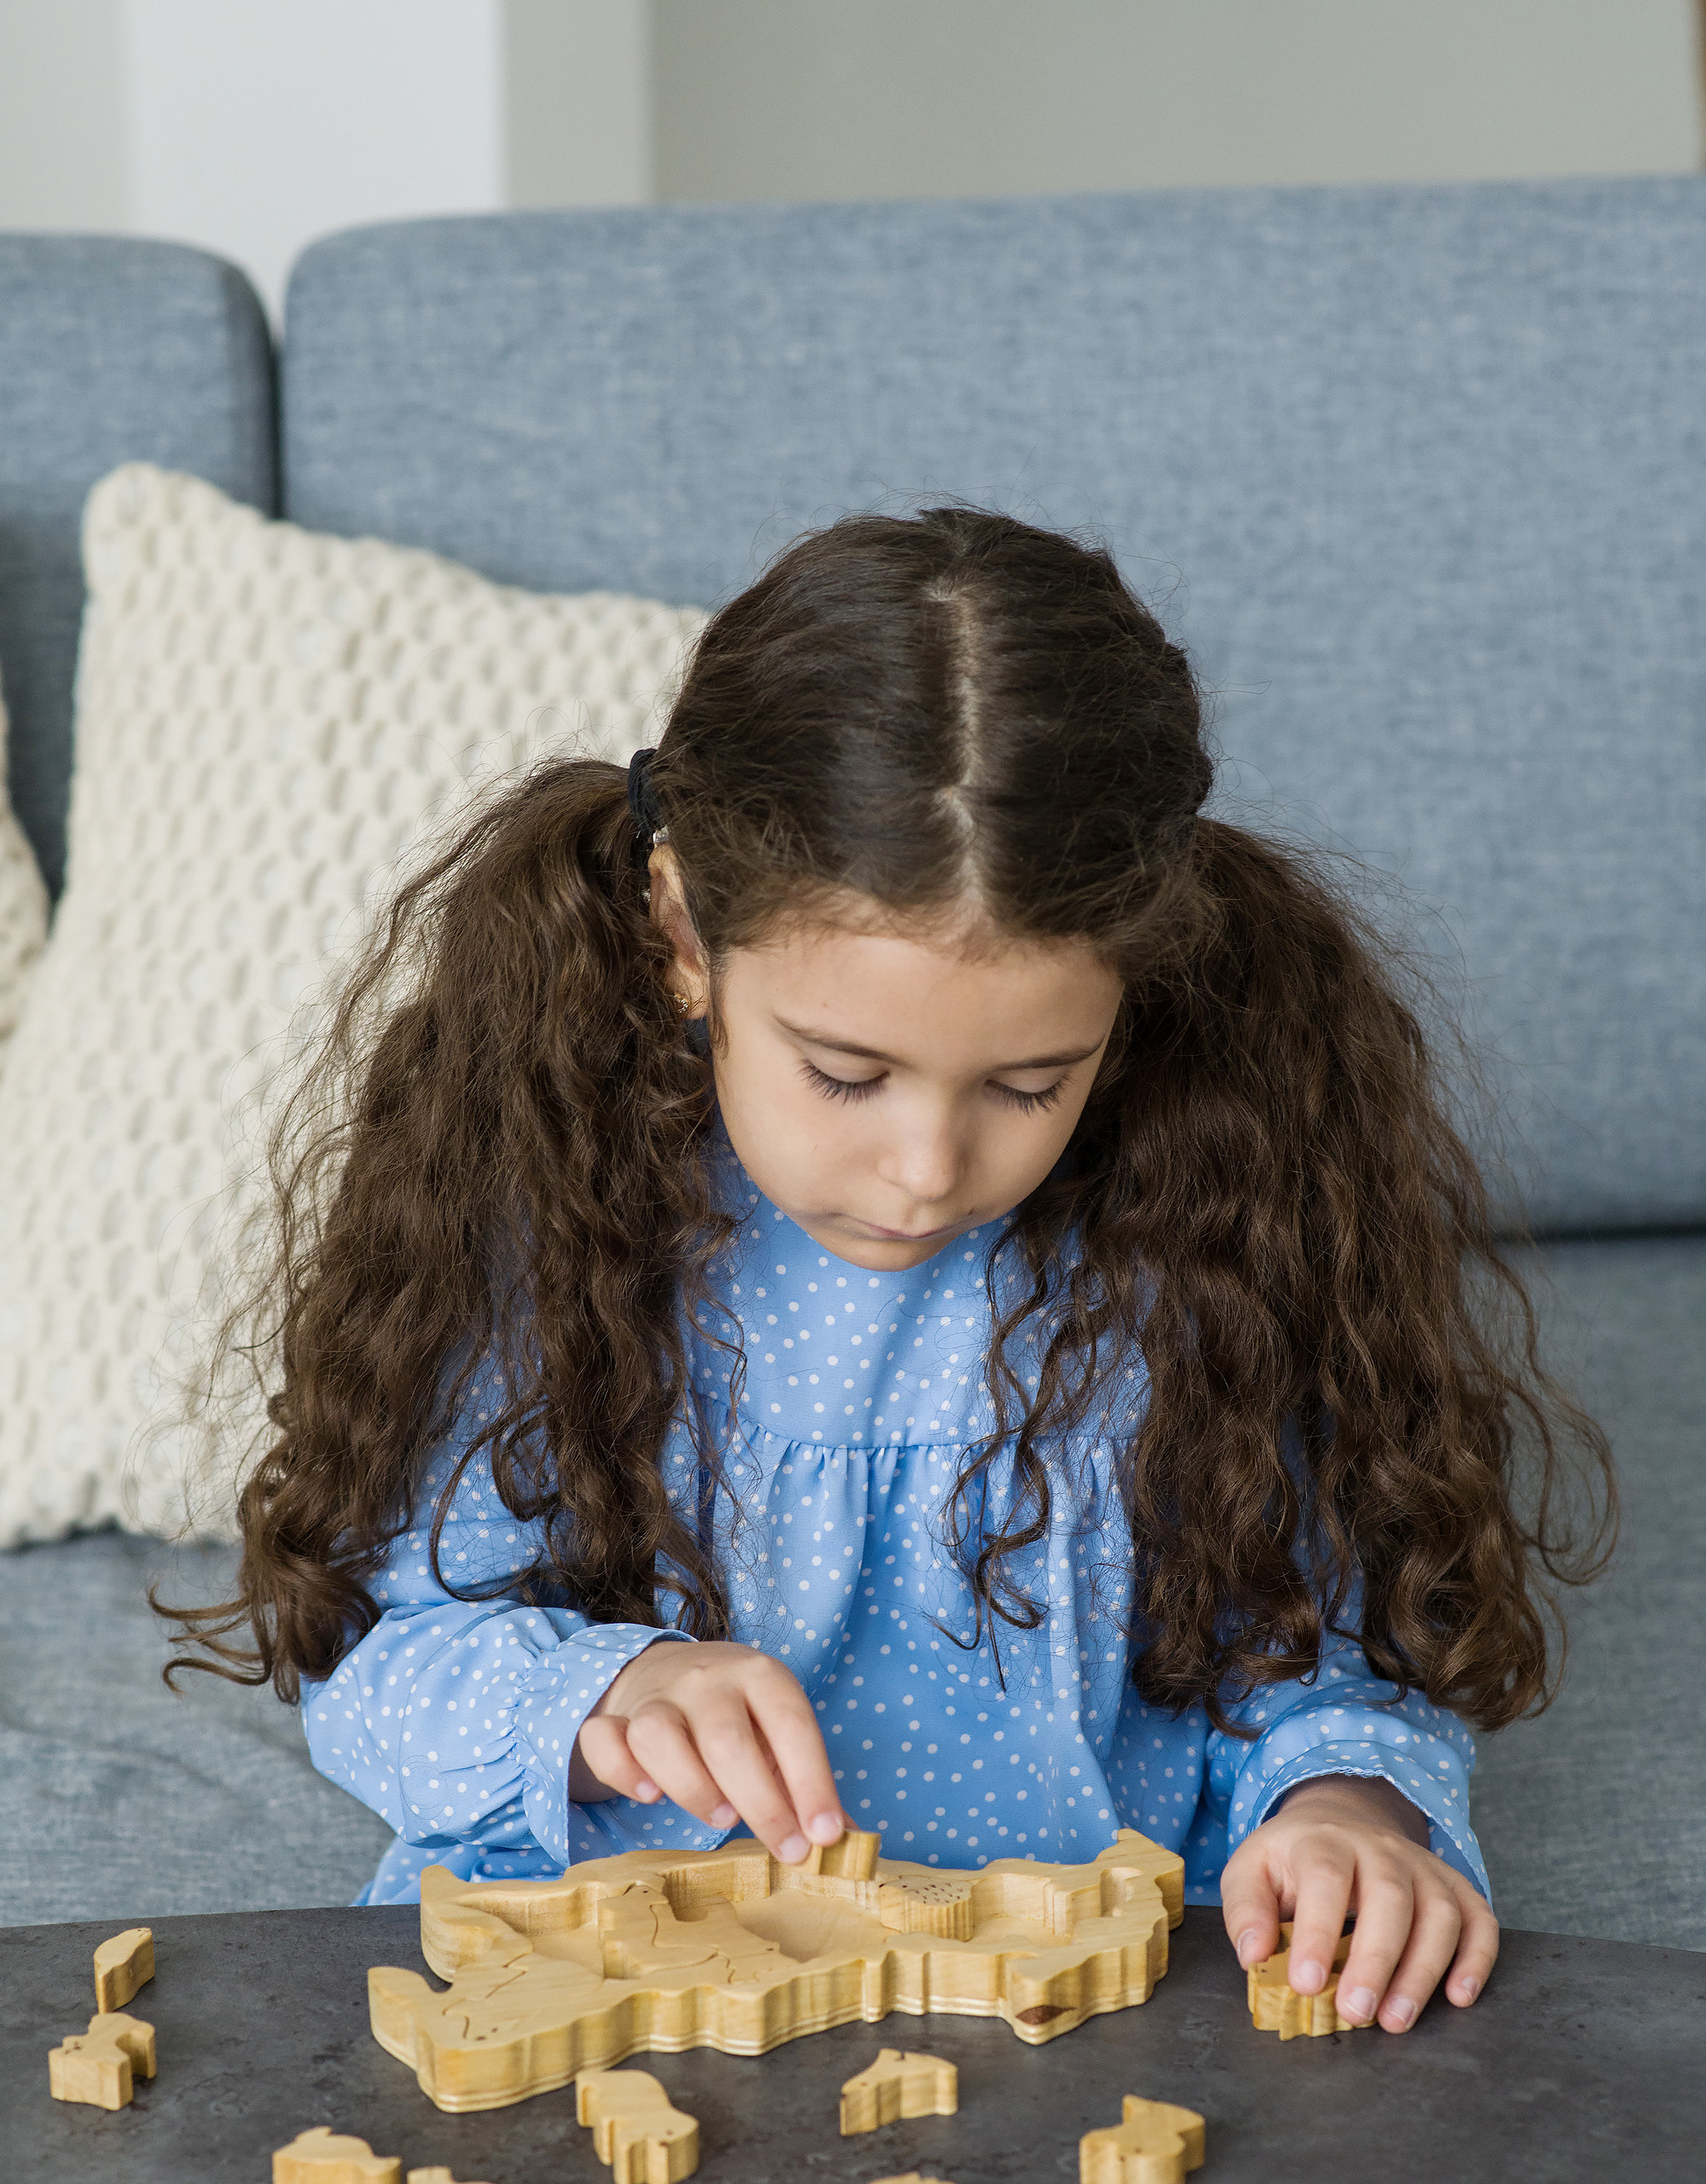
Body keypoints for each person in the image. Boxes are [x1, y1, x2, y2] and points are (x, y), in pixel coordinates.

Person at [165, 508, 1612, 2036]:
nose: (930, 1169)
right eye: (846, 1076)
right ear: (681, 932)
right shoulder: (556, 1210)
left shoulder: (1209, 1228)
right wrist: (596, 1700)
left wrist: (1348, 1813)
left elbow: (1321, 1652)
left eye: (1032, 1083)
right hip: (615, 1986)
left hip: (1077, 2007)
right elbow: (378, 1663)